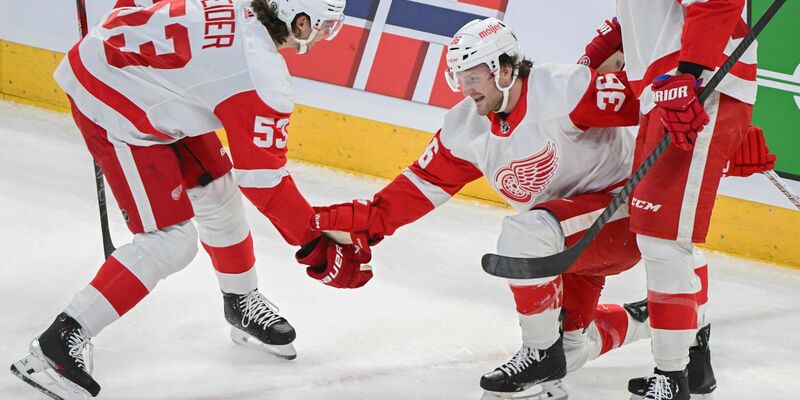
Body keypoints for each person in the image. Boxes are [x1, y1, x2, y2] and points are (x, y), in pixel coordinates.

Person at [10, 0, 370, 399]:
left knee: (218, 190)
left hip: (151, 84)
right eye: (325, 27)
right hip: (112, 99)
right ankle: (58, 343)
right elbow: (266, 185)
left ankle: (240, 299)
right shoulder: (261, 77)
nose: (325, 37)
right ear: (300, 23)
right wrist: (315, 243)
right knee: (170, 241)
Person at [308, 17, 652, 400]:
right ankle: (662, 316)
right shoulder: (467, 128)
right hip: (564, 245)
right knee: (571, 348)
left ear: (505, 69)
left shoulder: (565, 91)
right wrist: (354, 224)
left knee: (525, 234)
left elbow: (657, 100)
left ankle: (538, 354)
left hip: (624, 218)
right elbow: (416, 190)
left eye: (473, 78)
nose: (465, 90)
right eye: (459, 78)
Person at [579, 1, 764, 398]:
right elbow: (641, 16)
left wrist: (691, 72)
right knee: (662, 237)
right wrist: (585, 66)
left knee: (664, 242)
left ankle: (671, 378)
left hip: (692, 87)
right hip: (668, 89)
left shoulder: (689, 77)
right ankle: (691, 360)